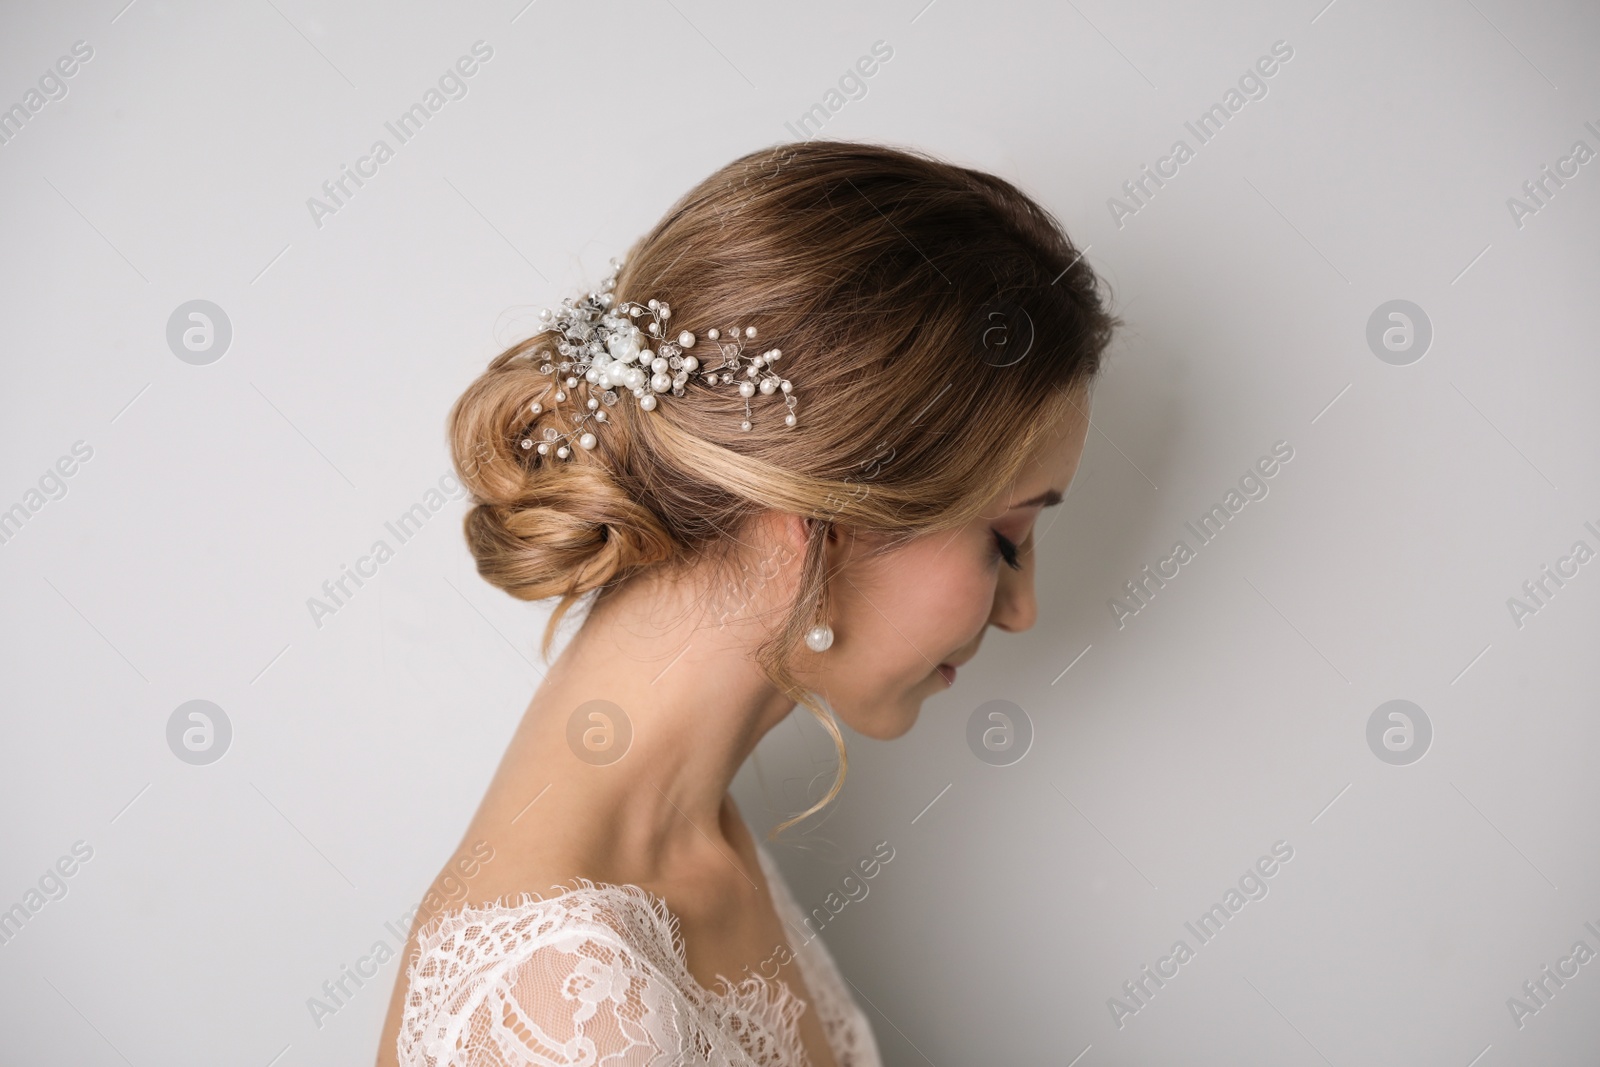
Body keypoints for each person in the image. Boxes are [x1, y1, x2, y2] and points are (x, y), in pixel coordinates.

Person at [375, 140, 1118, 1067]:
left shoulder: (703, 842)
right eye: (1006, 539)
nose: (1023, 610)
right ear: (820, 515)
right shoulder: (563, 1008)